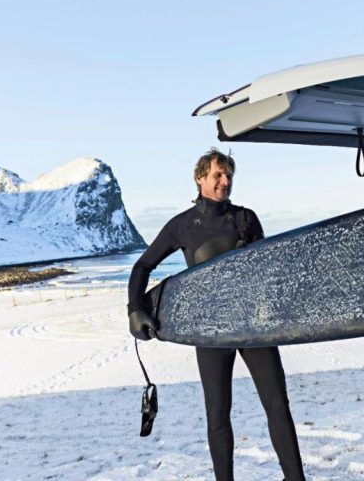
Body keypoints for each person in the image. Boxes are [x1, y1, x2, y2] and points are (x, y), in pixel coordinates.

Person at [127, 148, 305, 481]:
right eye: (218, 175)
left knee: (278, 406)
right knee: (218, 413)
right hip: (209, 332)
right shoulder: (183, 225)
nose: (225, 181)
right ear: (200, 178)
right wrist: (135, 309)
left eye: (229, 176)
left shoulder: (245, 218)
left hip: (254, 326)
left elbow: (266, 269)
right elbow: (143, 266)